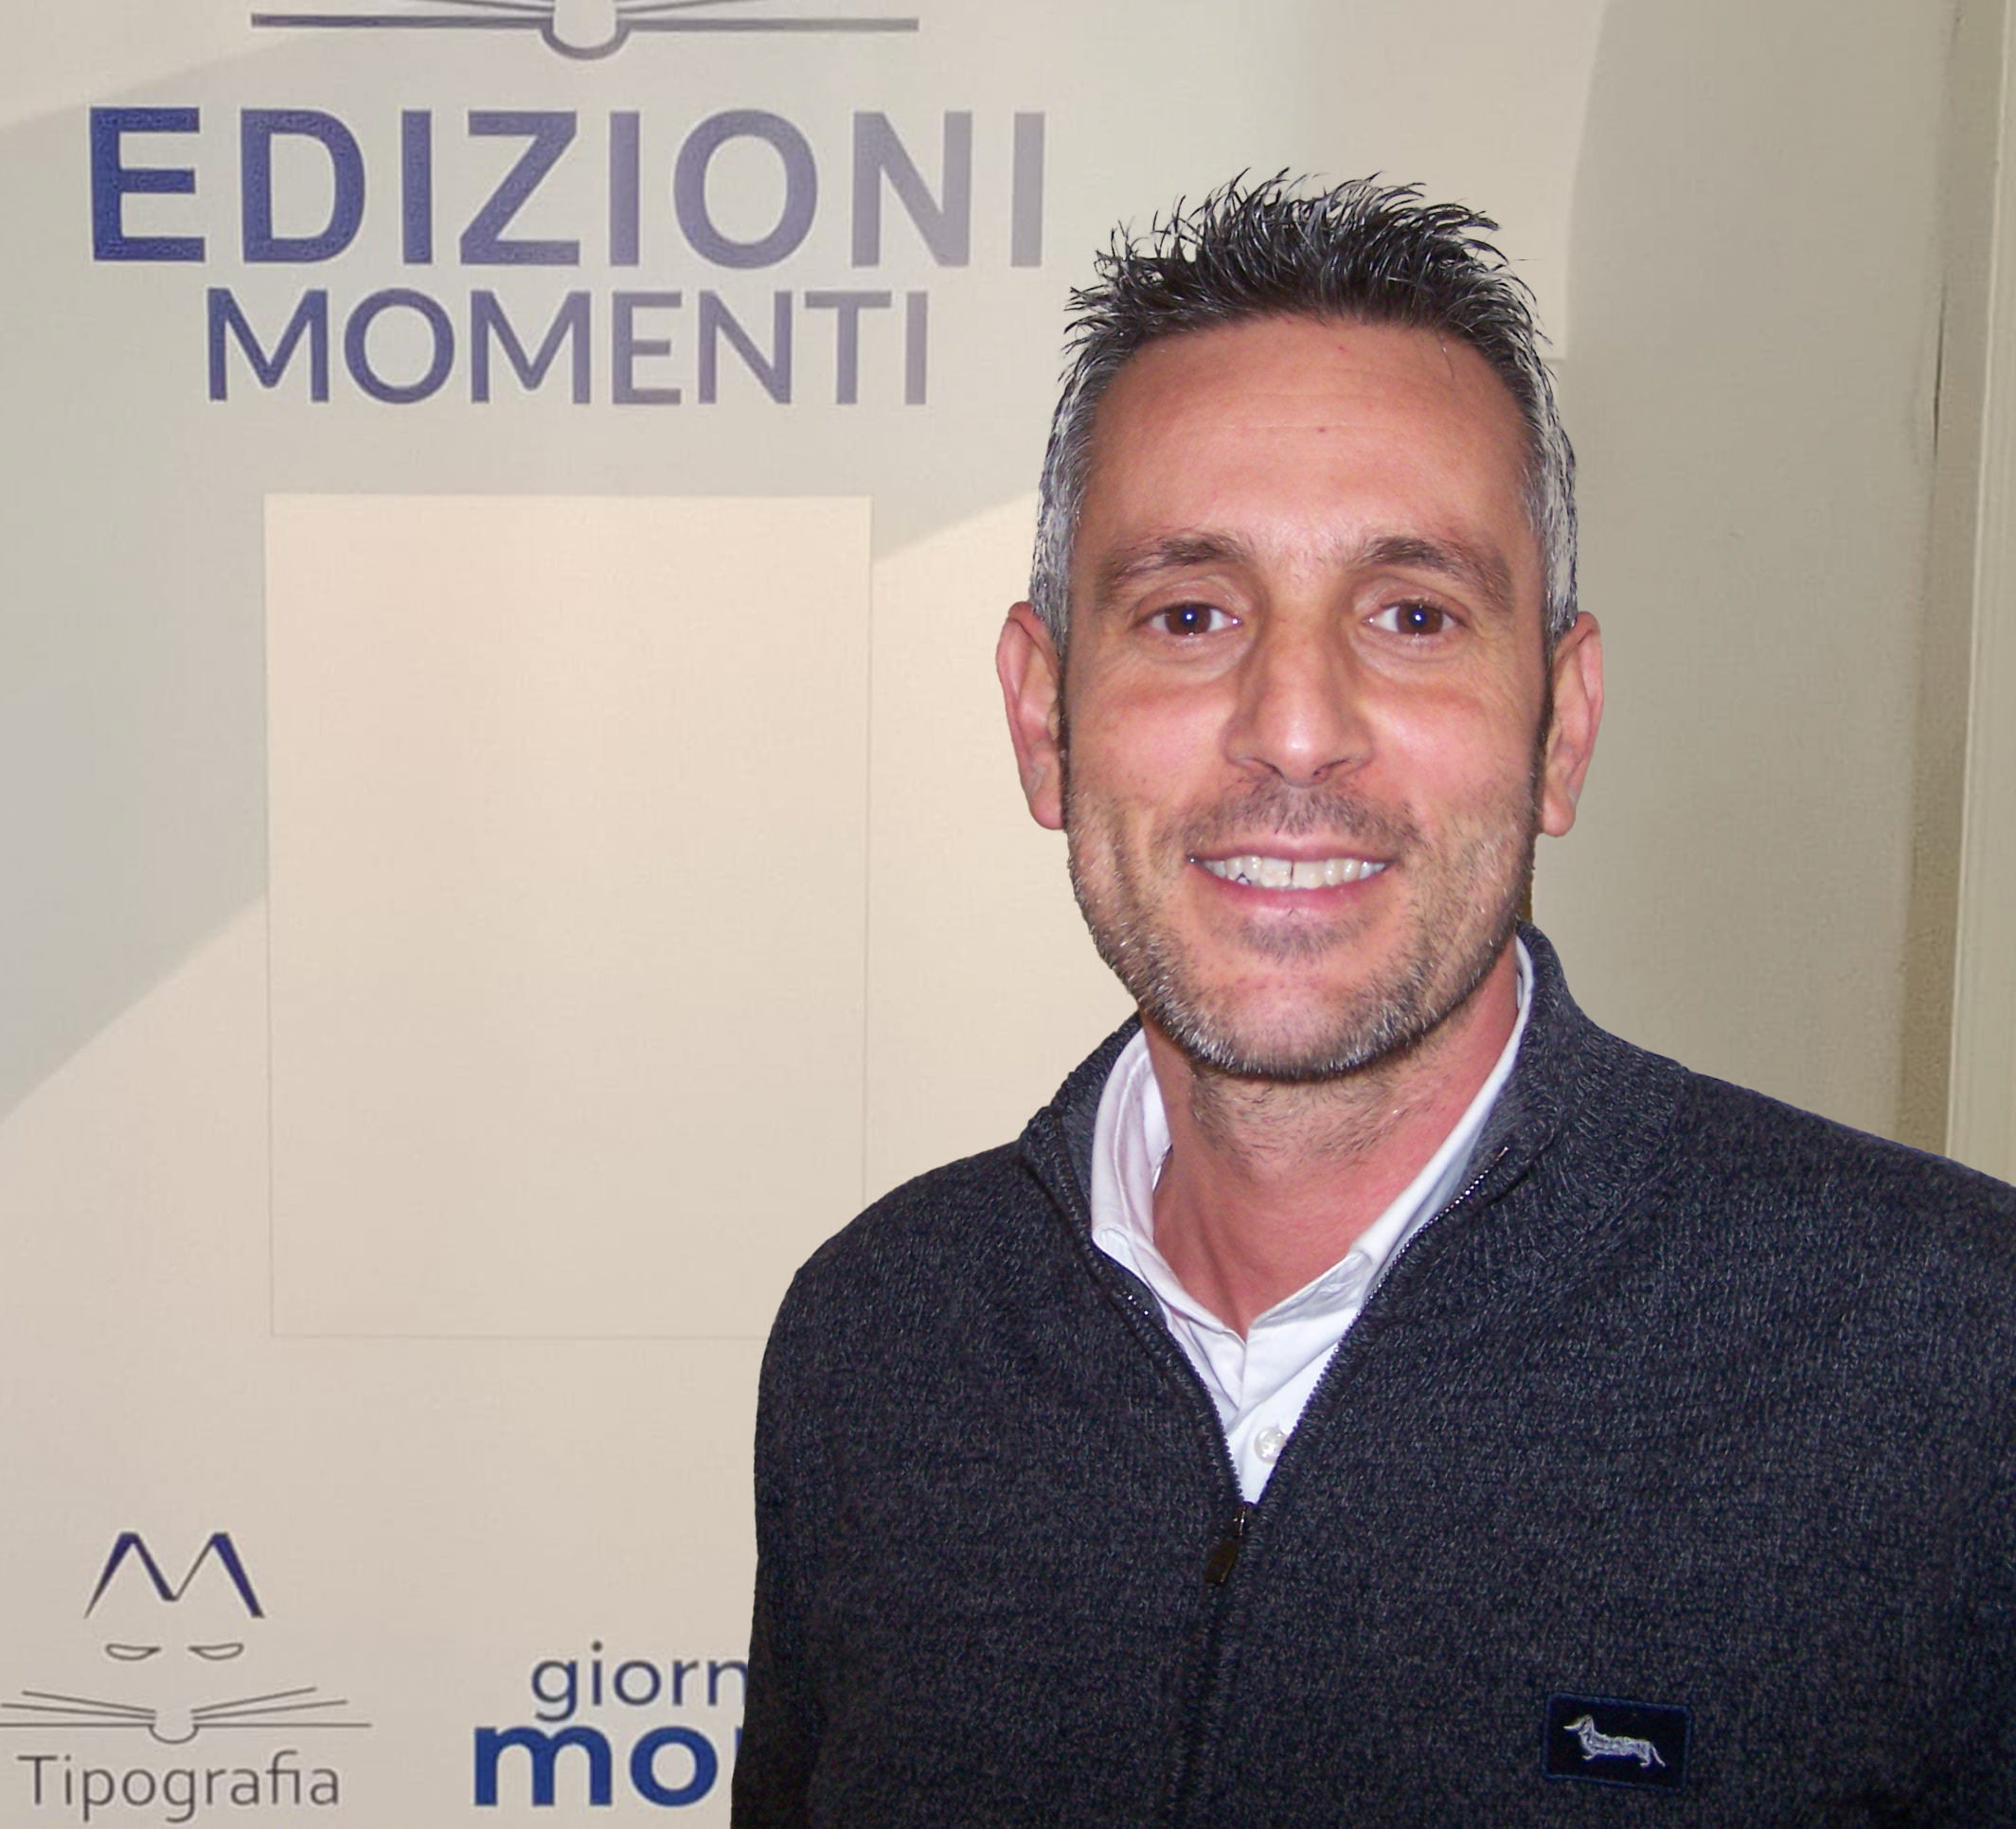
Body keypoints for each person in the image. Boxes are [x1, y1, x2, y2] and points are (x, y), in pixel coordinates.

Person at [730, 176, 2016, 1826]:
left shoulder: (1956, 1366)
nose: (1294, 725)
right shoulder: (878, 1341)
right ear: (1044, 719)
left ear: (1560, 728)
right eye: (1190, 614)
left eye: (1413, 617)